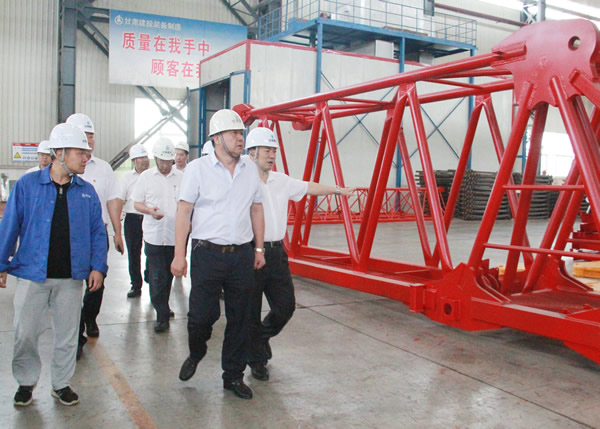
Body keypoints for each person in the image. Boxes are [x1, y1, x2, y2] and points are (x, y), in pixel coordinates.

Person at [0, 123, 107, 407]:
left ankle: (61, 383)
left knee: (68, 337)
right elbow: (10, 226)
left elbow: (98, 232)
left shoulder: (86, 192)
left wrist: (98, 267)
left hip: (71, 278)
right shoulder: (27, 186)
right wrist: (1, 262)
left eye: (86, 152)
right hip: (32, 274)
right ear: (60, 153)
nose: (86, 158)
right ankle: (26, 382)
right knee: (25, 334)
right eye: (80, 153)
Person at [244, 127, 354, 381]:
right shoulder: (241, 181)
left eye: (274, 150)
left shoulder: (281, 180)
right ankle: (257, 360)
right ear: (252, 153)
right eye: (267, 150)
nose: (272, 155)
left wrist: (338, 191)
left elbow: (308, 187)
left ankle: (260, 338)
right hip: (249, 253)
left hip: (276, 253)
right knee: (250, 311)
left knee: (285, 307)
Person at [171, 109, 265, 400]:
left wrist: (259, 248)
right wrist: (179, 255)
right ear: (216, 138)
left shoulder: (250, 169)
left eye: (241, 133)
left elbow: (257, 208)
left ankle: (233, 376)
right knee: (201, 317)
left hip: (241, 255)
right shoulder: (197, 169)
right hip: (207, 254)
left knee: (240, 318)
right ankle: (197, 351)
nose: (240, 138)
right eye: (234, 133)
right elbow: (184, 212)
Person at [66, 113, 124, 359]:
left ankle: (89, 318)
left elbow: (112, 201)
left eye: (91, 136)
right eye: (84, 136)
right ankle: (75, 336)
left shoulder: (103, 168)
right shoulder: (63, 169)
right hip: (68, 238)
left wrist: (118, 232)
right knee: (69, 288)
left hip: (97, 235)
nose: (89, 140)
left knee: (96, 284)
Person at [133, 139, 183, 332]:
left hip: (173, 237)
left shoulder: (181, 178)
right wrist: (149, 210)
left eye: (168, 161)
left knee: (168, 275)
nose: (165, 165)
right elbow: (137, 203)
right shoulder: (146, 178)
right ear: (155, 159)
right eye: (161, 161)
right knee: (156, 277)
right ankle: (162, 315)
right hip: (153, 236)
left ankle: (164, 305)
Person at [119, 144, 150, 298]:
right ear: (133, 161)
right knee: (133, 253)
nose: (145, 160)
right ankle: (136, 285)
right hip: (132, 219)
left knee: (152, 250)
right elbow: (119, 198)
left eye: (146, 157)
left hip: (150, 218)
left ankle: (150, 274)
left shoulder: (153, 176)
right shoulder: (126, 178)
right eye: (141, 158)